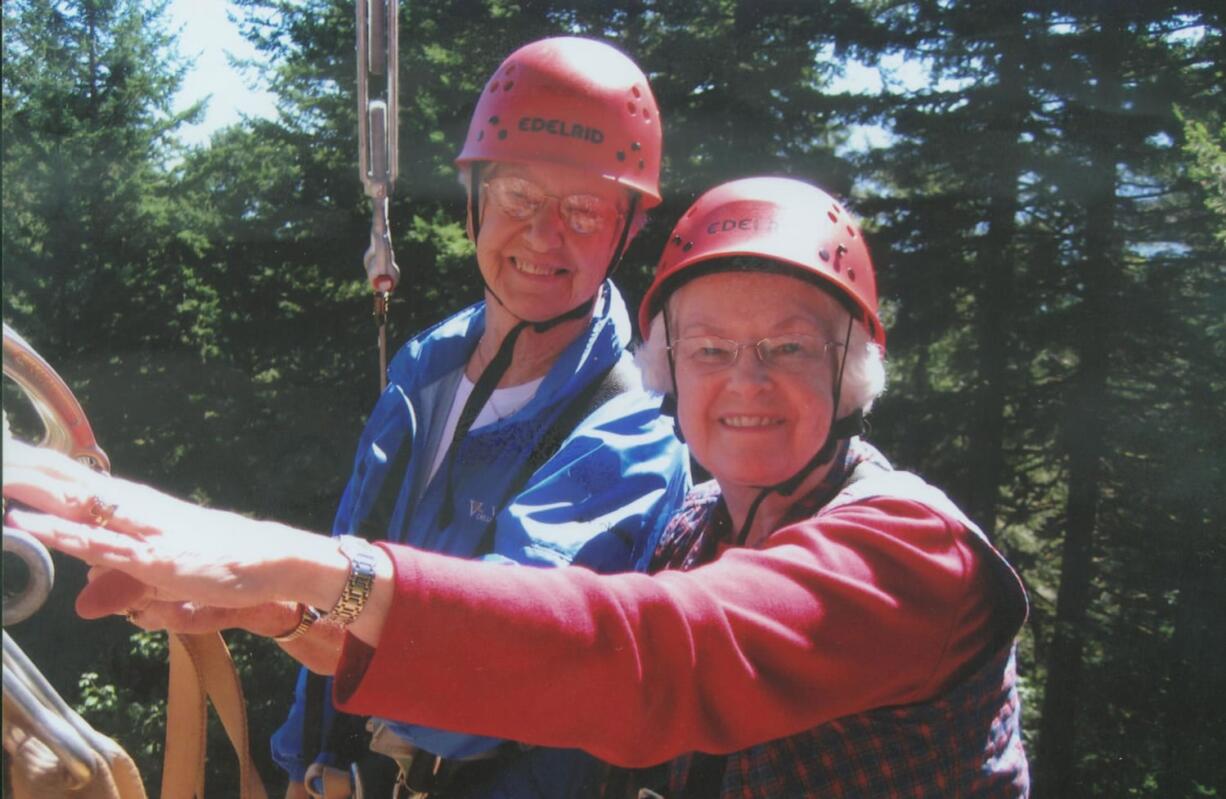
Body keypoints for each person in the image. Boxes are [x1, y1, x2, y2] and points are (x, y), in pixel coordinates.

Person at [6, 176, 1030, 797]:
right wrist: (274, 607)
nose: (744, 381)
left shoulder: (906, 551)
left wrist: (315, 562)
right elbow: (527, 677)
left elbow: (654, 654)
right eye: (709, 347)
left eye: (786, 348)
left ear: (851, 371)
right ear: (668, 369)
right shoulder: (693, 529)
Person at [27, 35, 688, 799]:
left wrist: (276, 592)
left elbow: (487, 680)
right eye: (519, 196)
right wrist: (275, 646)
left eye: (583, 209)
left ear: (626, 228)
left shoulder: (631, 434)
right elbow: (354, 583)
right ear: (474, 200)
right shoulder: (426, 366)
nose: (545, 235)